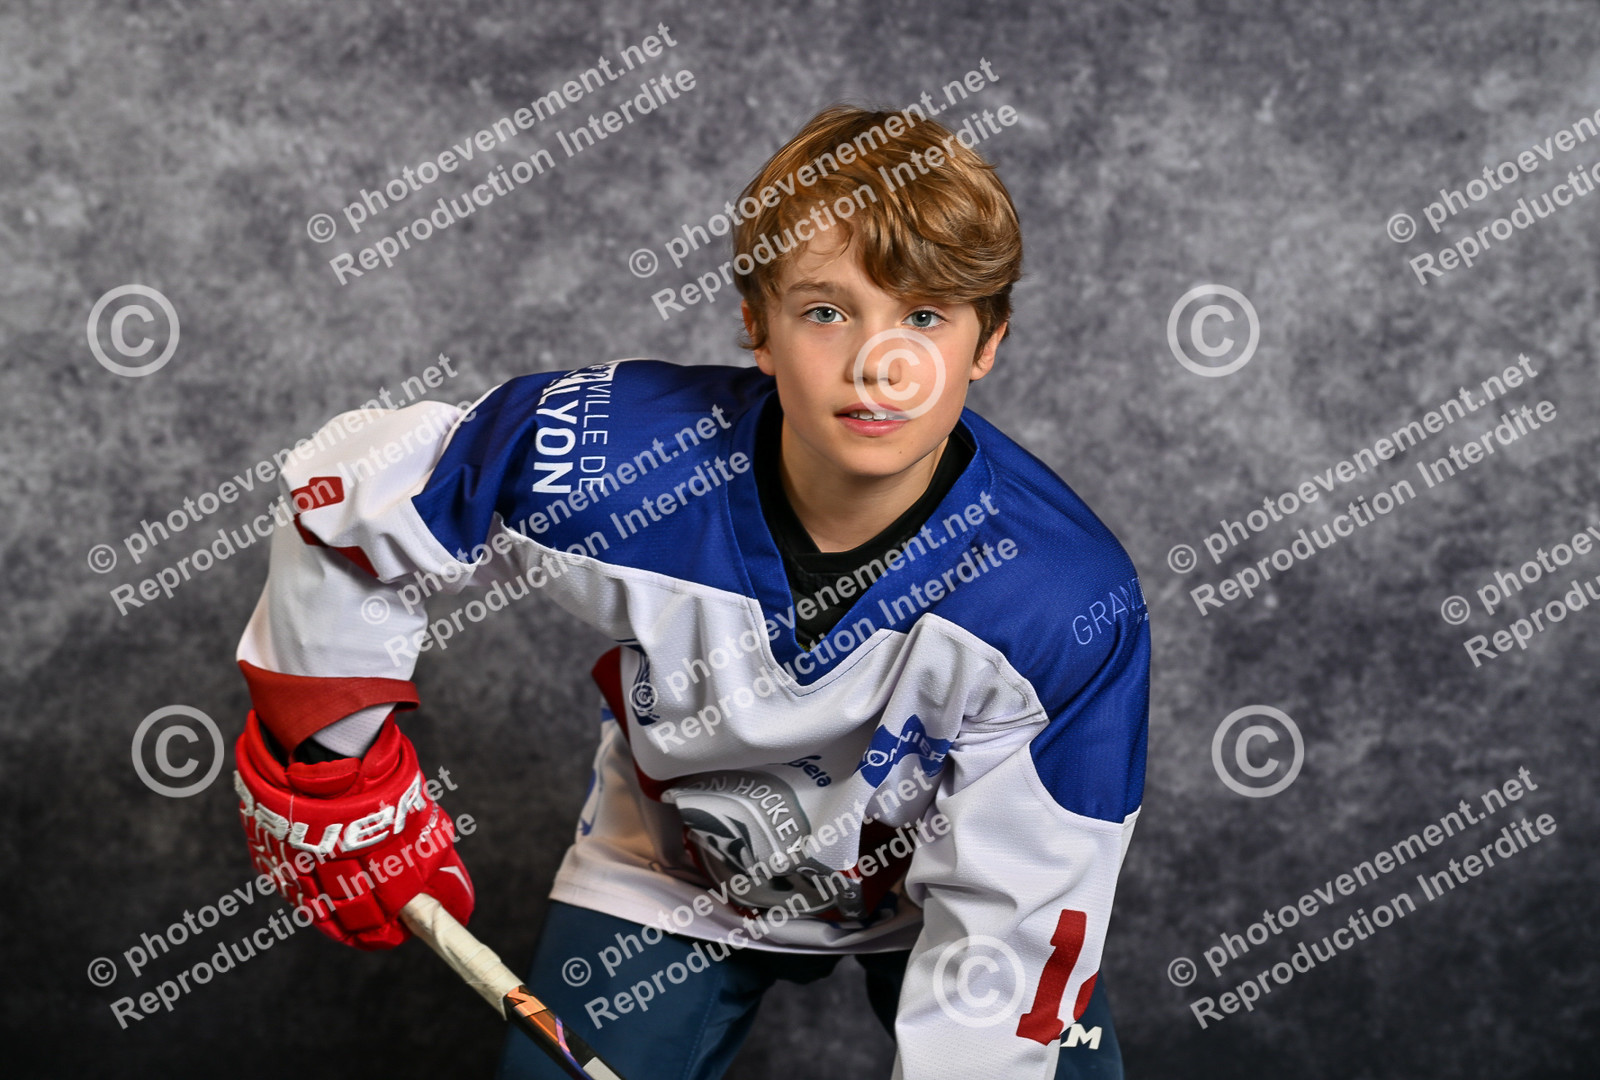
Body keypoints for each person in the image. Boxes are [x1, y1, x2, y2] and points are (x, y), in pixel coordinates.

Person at [232, 104, 1148, 1080]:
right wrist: (332, 768)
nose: (879, 365)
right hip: (672, 871)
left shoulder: (1064, 602)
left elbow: (1013, 930)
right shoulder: (617, 459)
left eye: (924, 316)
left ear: (987, 340)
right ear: (758, 326)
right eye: (826, 311)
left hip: (948, 885)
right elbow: (345, 497)